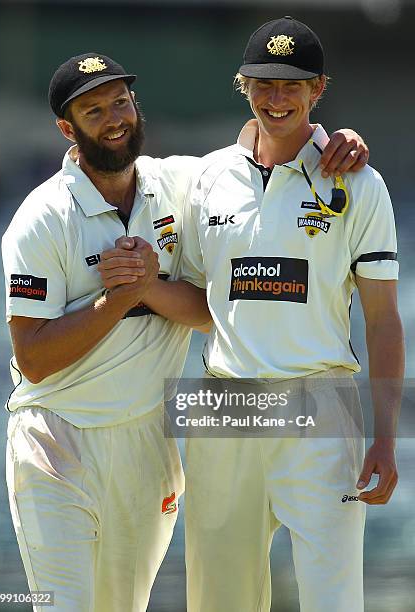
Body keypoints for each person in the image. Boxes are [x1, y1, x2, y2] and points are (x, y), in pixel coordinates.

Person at [2, 51, 367, 611]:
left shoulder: (180, 184)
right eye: (93, 110)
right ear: (66, 128)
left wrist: (334, 141)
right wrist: (118, 297)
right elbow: (32, 359)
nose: (114, 118)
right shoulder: (42, 217)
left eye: (120, 101)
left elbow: (264, 153)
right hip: (57, 440)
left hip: (150, 440)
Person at [99, 17, 404, 612]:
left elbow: (384, 318)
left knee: (334, 600)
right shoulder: (207, 178)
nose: (277, 97)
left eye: (293, 85)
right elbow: (205, 305)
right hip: (225, 405)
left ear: (319, 88)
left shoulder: (360, 183)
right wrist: (142, 287)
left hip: (321, 404)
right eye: (263, 83)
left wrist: (386, 435)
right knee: (219, 601)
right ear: (242, 84)